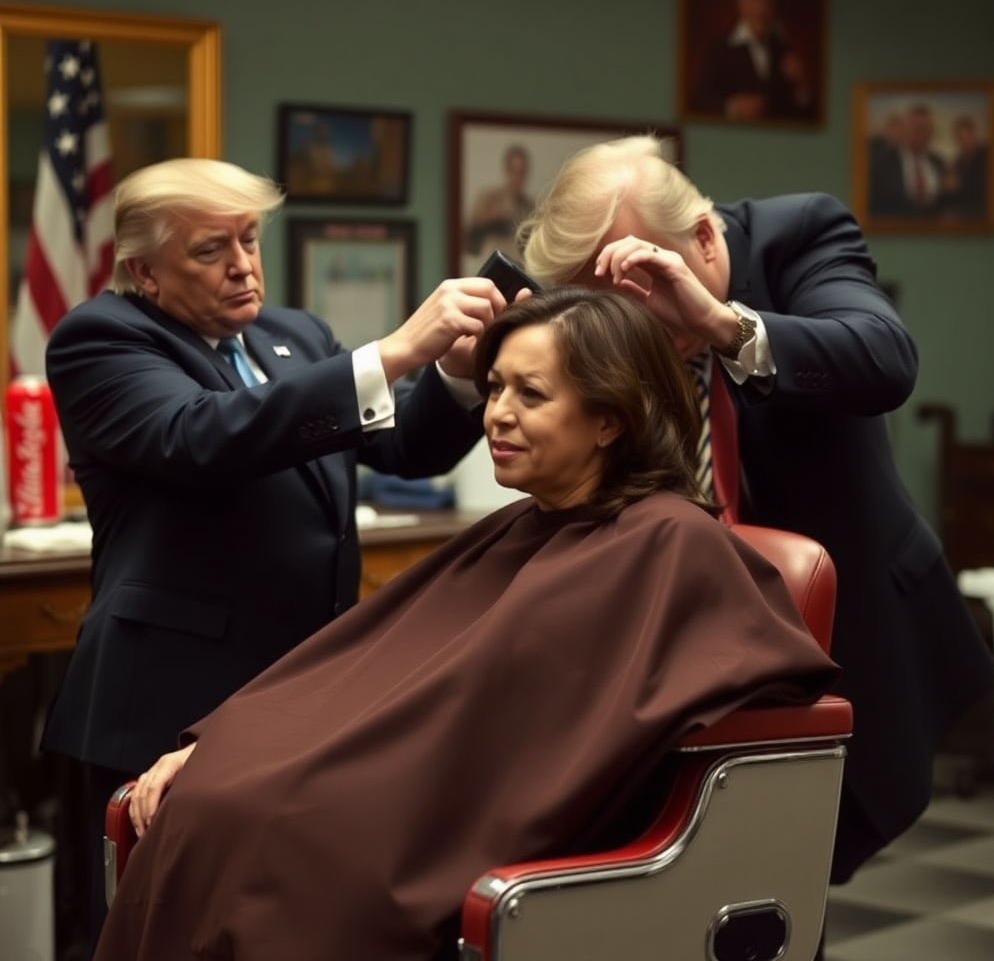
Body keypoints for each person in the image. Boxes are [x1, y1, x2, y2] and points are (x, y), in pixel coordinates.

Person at [94, 286, 839, 961]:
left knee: (270, 837)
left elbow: (488, 725)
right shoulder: (524, 526)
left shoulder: (671, 542)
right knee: (224, 804)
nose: (496, 415)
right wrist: (222, 747)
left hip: (461, 821)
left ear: (611, 418)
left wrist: (263, 775)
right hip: (414, 787)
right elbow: (369, 672)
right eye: (494, 389)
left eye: (531, 394)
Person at [39, 157, 504, 956]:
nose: (243, 266)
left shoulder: (296, 336)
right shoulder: (101, 339)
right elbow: (202, 437)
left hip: (299, 700)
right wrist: (391, 354)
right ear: (144, 270)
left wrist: (457, 376)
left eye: (249, 240)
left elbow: (405, 446)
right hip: (161, 700)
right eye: (210, 250)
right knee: (143, 931)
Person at [516, 135, 994, 899]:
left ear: (703, 239)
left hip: (849, 627)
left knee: (794, 878)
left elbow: (883, 359)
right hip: (690, 651)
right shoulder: (611, 317)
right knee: (692, 882)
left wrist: (721, 325)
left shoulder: (801, 232)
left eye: (636, 289)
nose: (628, 333)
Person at [692, 0, 813, 122]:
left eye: (767, 2)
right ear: (741, 3)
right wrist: (734, 106)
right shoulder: (720, 48)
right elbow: (699, 100)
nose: (762, 10)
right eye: (756, 0)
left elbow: (804, 113)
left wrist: (802, 84)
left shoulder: (784, 51)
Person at [462, 143, 535, 270]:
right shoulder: (490, 198)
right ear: (506, 171)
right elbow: (470, 229)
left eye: (521, 172)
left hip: (518, 265)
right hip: (491, 261)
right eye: (513, 171)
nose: (517, 178)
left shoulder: (529, 206)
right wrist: (497, 215)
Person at [868, 102, 946, 218]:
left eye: (926, 129)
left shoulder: (938, 162)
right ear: (905, 129)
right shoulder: (882, 163)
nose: (922, 134)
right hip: (895, 231)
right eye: (917, 128)